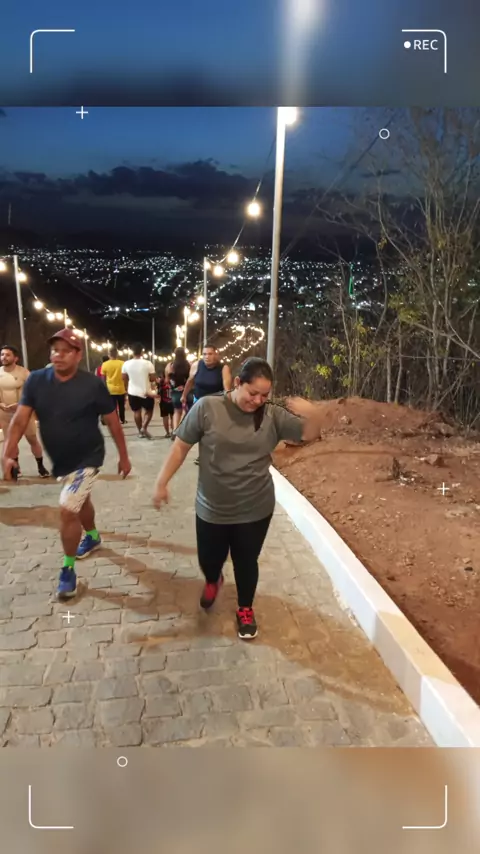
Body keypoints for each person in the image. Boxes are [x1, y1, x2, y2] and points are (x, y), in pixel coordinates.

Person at [153, 357, 322, 640]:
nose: (258, 401)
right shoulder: (207, 407)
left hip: (254, 507)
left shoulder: (272, 416)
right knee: (209, 559)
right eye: (253, 393)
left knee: (246, 561)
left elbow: (310, 434)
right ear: (237, 383)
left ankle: (245, 608)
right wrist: (161, 482)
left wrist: (314, 414)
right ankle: (213, 579)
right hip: (212, 506)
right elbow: (181, 447)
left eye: (264, 395)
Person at [2, 328, 132, 601]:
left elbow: (112, 421)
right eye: (55, 350)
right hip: (60, 460)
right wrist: (9, 453)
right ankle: (93, 536)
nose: (58, 355)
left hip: (89, 456)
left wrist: (123, 455)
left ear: (78, 355)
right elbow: (21, 418)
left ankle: (68, 570)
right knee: (80, 501)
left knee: (67, 508)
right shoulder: (37, 380)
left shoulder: (92, 384)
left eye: (65, 351)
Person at [0, 344, 50, 478]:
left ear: (15, 358)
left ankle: (41, 466)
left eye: (7, 355)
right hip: (5, 413)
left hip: (23, 412)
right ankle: (16, 468)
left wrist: (20, 404)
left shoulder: (24, 373)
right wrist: (1, 404)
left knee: (32, 438)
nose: (4, 357)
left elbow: (34, 392)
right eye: (2, 354)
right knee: (11, 441)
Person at [182, 345, 232, 463]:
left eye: (210, 354)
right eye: (204, 354)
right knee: (202, 430)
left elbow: (227, 387)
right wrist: (184, 395)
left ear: (216, 355)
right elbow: (190, 381)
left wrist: (230, 402)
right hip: (198, 403)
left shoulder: (223, 368)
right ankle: (203, 455)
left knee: (214, 431)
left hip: (216, 404)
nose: (206, 357)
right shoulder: (196, 365)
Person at [122, 344, 156, 439]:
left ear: (132, 352)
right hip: (146, 391)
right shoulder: (148, 363)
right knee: (149, 410)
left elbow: (124, 378)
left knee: (136, 411)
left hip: (132, 391)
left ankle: (140, 432)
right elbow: (153, 378)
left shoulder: (126, 364)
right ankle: (144, 427)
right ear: (142, 352)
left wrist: (126, 388)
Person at [165, 347, 190, 434]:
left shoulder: (170, 365)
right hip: (187, 390)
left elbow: (167, 381)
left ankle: (175, 431)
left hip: (175, 391)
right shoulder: (188, 365)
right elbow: (191, 379)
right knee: (188, 411)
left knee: (177, 411)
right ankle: (185, 430)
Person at [101, 347, 126, 424]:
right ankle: (122, 419)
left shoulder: (105, 364)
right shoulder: (122, 363)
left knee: (113, 406)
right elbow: (125, 377)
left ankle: (116, 419)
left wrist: (104, 389)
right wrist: (126, 387)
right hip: (121, 388)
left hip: (110, 389)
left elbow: (103, 378)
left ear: (109, 355)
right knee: (121, 406)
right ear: (117, 354)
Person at [158, 370, 174, 437]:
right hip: (172, 401)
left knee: (165, 417)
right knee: (173, 417)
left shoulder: (161, 382)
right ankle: (173, 431)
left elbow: (158, 392)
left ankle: (167, 433)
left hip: (163, 402)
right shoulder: (173, 381)